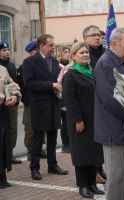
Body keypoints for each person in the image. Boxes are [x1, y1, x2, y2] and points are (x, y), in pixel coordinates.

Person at [94, 27, 124, 200]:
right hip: (114, 128)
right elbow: (111, 100)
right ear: (114, 43)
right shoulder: (105, 64)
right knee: (116, 177)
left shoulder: (123, 62)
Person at [23, 34, 69, 180]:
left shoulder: (55, 63)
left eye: (53, 45)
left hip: (54, 103)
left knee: (53, 137)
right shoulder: (30, 62)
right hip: (40, 105)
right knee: (37, 138)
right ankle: (34, 168)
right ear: (41, 46)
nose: (53, 48)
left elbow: (58, 79)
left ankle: (52, 164)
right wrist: (51, 85)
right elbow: (29, 84)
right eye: (50, 45)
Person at [63, 42, 104, 199]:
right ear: (73, 56)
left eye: (86, 52)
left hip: (94, 120)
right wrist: (78, 120)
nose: (86, 55)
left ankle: (92, 183)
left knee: (93, 153)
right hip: (80, 121)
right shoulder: (71, 75)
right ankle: (83, 186)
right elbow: (70, 100)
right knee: (81, 155)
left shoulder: (89, 72)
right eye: (81, 53)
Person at [82, 25, 106, 184]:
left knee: (102, 137)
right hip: (91, 102)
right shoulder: (85, 55)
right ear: (85, 38)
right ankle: (94, 171)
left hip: (105, 100)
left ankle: (100, 167)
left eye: (98, 35)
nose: (97, 37)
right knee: (93, 139)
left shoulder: (105, 53)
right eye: (93, 35)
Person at [17, 41, 48, 161]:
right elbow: (21, 85)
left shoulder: (44, 63)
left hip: (42, 100)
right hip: (30, 102)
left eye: (37, 50)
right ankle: (30, 150)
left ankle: (40, 148)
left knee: (43, 126)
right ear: (29, 52)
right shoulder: (23, 66)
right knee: (30, 127)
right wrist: (25, 99)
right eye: (34, 51)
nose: (36, 53)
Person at [0, 64, 21, 188]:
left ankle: (2, 176)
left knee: (3, 143)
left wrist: (14, 95)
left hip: (2, 110)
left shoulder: (2, 69)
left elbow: (11, 84)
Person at [0, 41, 21, 164]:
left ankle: (10, 153)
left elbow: (14, 83)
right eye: (3, 50)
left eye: (8, 49)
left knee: (12, 129)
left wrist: (15, 96)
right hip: (2, 103)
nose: (7, 52)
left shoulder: (11, 65)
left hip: (11, 103)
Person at [58, 46, 70, 153]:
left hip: (70, 97)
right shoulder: (59, 66)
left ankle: (70, 142)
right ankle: (65, 144)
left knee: (70, 121)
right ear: (61, 54)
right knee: (65, 122)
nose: (67, 53)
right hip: (62, 98)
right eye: (65, 52)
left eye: (68, 52)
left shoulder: (71, 66)